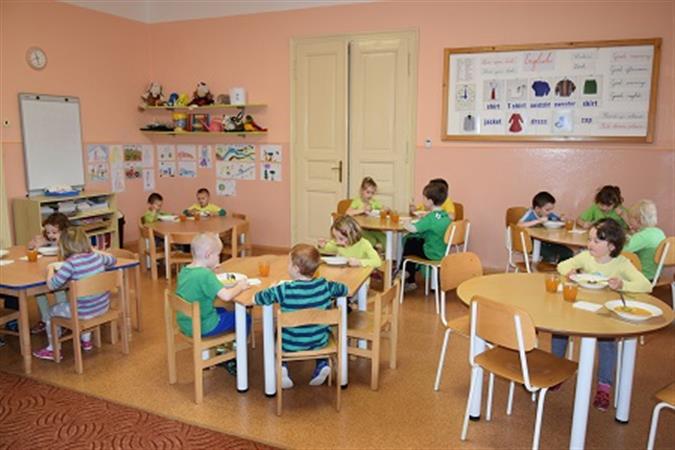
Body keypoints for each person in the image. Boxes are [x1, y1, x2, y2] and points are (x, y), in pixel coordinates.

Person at [553, 218, 651, 411]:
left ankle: (604, 386)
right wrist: (570, 272)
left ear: (612, 246)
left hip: (606, 313)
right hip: (581, 308)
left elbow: (646, 285)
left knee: (607, 343)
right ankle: (555, 372)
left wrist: (623, 284)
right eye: (589, 239)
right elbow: (562, 266)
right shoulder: (585, 257)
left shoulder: (621, 263)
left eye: (596, 241)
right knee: (560, 330)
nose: (590, 244)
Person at [254, 244, 348, 389]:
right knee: (322, 331)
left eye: (289, 263)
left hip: (290, 343)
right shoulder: (324, 285)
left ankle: (282, 367)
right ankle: (322, 363)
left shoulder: (284, 289)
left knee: (276, 333)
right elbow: (344, 289)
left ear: (296, 269)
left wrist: (271, 288)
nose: (287, 266)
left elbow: (259, 298)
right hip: (319, 341)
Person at [32, 228, 119, 361]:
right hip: (102, 307)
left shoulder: (70, 264)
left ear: (63, 245)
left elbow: (52, 285)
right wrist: (95, 251)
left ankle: (53, 349)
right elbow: (113, 260)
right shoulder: (98, 257)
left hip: (82, 312)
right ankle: (86, 341)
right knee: (84, 300)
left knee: (51, 311)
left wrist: (50, 269)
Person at [175, 233, 250, 373]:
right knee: (244, 318)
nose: (218, 258)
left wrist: (211, 271)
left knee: (224, 311)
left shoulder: (185, 271)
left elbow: (199, 287)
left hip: (186, 322)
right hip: (203, 325)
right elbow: (226, 296)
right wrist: (240, 286)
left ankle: (220, 349)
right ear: (208, 254)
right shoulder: (205, 275)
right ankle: (235, 355)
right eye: (217, 255)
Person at [400, 182, 451, 291]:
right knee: (415, 241)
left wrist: (405, 223)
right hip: (442, 252)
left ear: (430, 201)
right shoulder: (445, 216)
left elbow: (414, 229)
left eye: (424, 198)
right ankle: (408, 273)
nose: (422, 200)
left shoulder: (430, 218)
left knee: (410, 242)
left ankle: (406, 275)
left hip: (430, 253)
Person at [27, 213, 72, 335]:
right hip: (48, 269)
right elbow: (30, 246)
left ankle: (64, 321)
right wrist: (36, 243)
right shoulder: (47, 239)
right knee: (38, 292)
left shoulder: (69, 242)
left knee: (59, 290)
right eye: (48, 232)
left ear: (64, 231)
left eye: (54, 232)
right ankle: (46, 319)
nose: (50, 235)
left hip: (64, 273)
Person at [518, 191, 573, 263]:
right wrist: (538, 221)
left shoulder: (549, 214)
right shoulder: (530, 213)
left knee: (568, 253)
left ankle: (560, 268)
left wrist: (562, 219)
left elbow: (558, 220)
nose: (550, 212)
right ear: (537, 209)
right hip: (531, 243)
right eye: (547, 210)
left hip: (546, 241)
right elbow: (519, 225)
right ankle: (541, 269)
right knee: (551, 256)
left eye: (551, 209)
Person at [624, 200, 665, 281]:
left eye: (630, 219)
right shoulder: (659, 232)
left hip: (643, 276)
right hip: (655, 276)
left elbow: (622, 251)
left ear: (639, 220)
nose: (629, 221)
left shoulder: (642, 236)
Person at [346, 177, 386, 252]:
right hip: (361, 229)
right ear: (361, 191)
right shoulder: (357, 201)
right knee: (371, 241)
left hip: (374, 228)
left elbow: (383, 209)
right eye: (368, 192)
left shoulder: (373, 202)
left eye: (372, 193)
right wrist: (362, 210)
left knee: (385, 239)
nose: (370, 195)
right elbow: (348, 212)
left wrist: (384, 210)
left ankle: (382, 255)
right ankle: (369, 253)